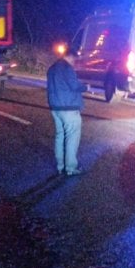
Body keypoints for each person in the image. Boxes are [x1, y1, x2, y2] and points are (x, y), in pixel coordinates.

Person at [46, 47, 88, 176]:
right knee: (72, 137)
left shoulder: (52, 68)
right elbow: (74, 86)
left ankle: (60, 166)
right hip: (68, 108)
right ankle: (70, 167)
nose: (74, 63)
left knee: (60, 136)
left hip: (55, 107)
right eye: (74, 60)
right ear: (70, 56)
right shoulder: (67, 68)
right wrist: (85, 86)